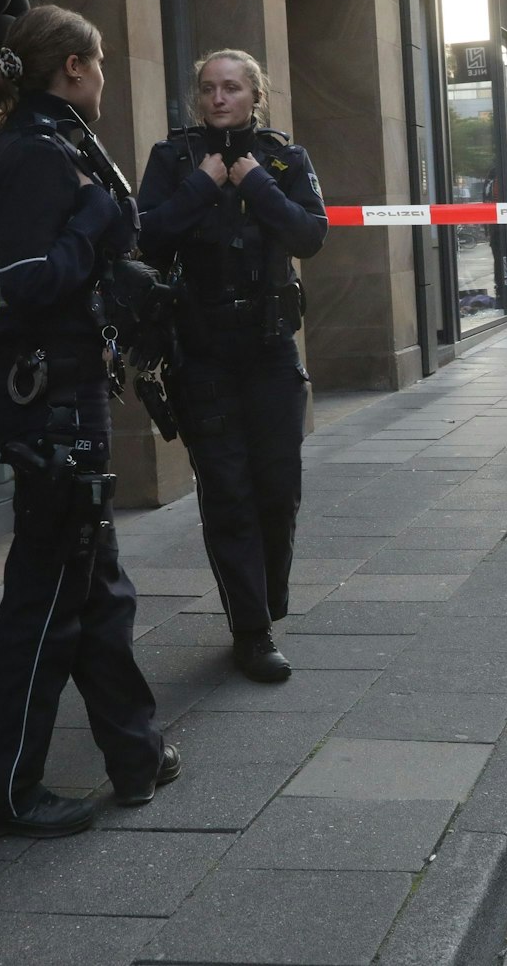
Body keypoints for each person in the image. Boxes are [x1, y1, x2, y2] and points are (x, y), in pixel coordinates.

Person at [0, 5, 174, 839]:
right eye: (101, 61)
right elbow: (24, 281)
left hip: (60, 390)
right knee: (46, 604)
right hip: (49, 395)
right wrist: (95, 224)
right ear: (74, 65)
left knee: (95, 588)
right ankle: (0, 796)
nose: (105, 74)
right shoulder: (36, 151)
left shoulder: (48, 137)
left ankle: (136, 754)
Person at [138, 50, 327, 684]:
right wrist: (204, 183)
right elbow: (147, 237)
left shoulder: (281, 159)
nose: (219, 99)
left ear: (255, 96)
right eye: (208, 89)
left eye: (232, 88)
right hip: (200, 353)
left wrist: (254, 183)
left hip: (269, 348)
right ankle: (252, 630)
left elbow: (309, 235)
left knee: (278, 488)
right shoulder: (174, 160)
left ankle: (268, 598)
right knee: (227, 493)